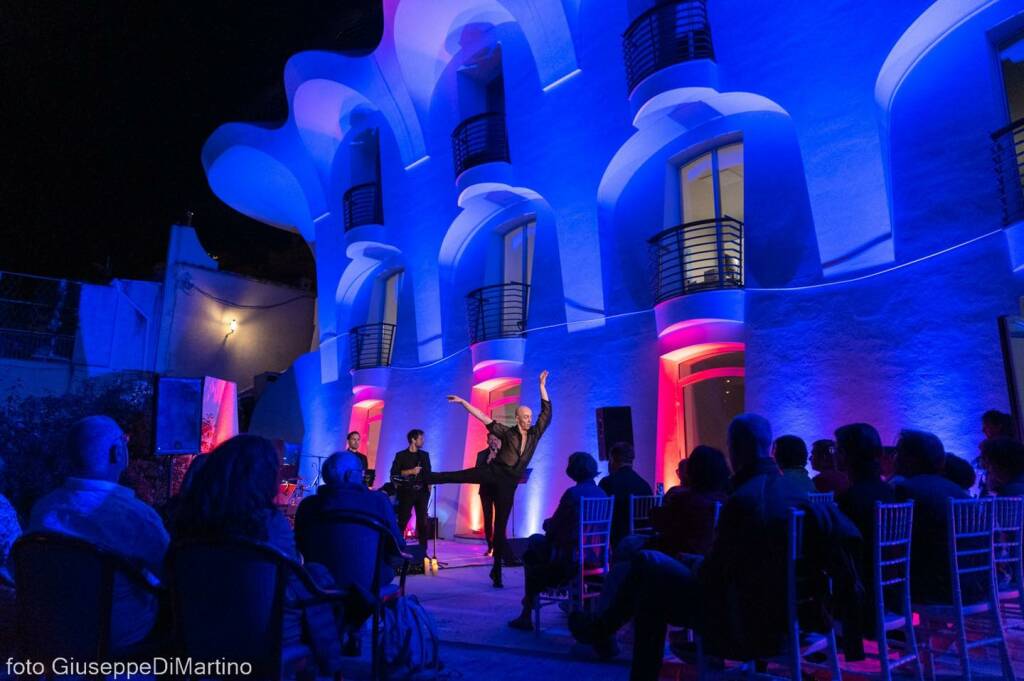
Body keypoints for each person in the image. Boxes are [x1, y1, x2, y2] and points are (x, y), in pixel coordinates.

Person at [570, 414, 859, 679]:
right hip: (794, 616)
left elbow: (712, 578)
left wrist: (688, 562)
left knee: (650, 583)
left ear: (734, 449)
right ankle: (601, 629)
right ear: (768, 446)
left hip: (745, 625)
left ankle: (605, 634)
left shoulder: (745, 499)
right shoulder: (797, 493)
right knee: (650, 566)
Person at [173, 434, 343, 675]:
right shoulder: (270, 524)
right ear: (265, 478)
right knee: (318, 578)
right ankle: (330, 664)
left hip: (197, 633)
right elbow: (291, 579)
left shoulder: (188, 520)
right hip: (263, 636)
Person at [29, 416, 169, 649]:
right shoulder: (136, 516)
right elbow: (169, 572)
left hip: (55, 630)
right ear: (116, 452)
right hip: (118, 635)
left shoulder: (42, 508)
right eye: (125, 440)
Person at [430, 370, 552, 587]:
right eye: (525, 417)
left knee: (500, 525)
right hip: (493, 472)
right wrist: (464, 403)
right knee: (460, 475)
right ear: (517, 418)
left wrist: (541, 386)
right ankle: (426, 477)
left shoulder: (534, 434)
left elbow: (547, 413)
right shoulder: (507, 432)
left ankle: (496, 570)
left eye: (530, 417)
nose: (529, 420)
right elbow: (483, 418)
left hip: (509, 482)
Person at [507, 452, 606, 631]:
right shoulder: (602, 494)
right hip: (595, 556)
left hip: (571, 558)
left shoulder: (573, 494)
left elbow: (555, 527)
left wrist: (547, 524)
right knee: (535, 547)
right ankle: (528, 605)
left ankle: (527, 611)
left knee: (532, 547)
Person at [295, 451, 406, 588]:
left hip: (319, 583)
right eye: (361, 472)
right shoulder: (378, 501)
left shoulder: (307, 506)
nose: (363, 476)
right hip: (368, 582)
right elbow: (398, 545)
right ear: (350, 475)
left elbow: (299, 546)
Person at [892, 429, 977, 604]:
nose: (893, 458)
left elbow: (896, 543)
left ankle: (884, 630)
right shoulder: (958, 491)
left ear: (910, 459)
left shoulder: (906, 490)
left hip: (939, 590)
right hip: (974, 585)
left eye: (897, 452)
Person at [834, 423, 895, 632]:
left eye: (837, 449)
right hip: (893, 592)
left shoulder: (850, 499)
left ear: (847, 455)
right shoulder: (891, 492)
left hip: (861, 599)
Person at [648, 445, 730, 557]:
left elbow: (661, 524)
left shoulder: (684, 499)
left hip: (682, 558)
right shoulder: (726, 500)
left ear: (692, 471)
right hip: (710, 558)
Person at [599, 442, 653, 550]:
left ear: (613, 459)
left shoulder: (607, 482)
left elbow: (601, 513)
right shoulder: (645, 485)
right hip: (643, 538)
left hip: (619, 537)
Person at [391, 429, 432, 555]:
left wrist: (428, 490)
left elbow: (429, 474)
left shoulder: (424, 455)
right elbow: (394, 474)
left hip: (422, 492)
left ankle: (423, 551)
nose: (423, 440)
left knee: (423, 522)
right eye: (420, 438)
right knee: (403, 520)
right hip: (407, 492)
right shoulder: (401, 455)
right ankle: (396, 548)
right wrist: (411, 471)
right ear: (413, 440)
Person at [475, 433, 501, 556]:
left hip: (500, 490)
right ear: (487, 441)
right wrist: (489, 460)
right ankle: (490, 546)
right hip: (486, 491)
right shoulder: (481, 455)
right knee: (488, 518)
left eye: (495, 439)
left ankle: (499, 546)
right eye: (491, 439)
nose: (493, 441)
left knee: (500, 519)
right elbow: (477, 472)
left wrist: (497, 457)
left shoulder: (504, 454)